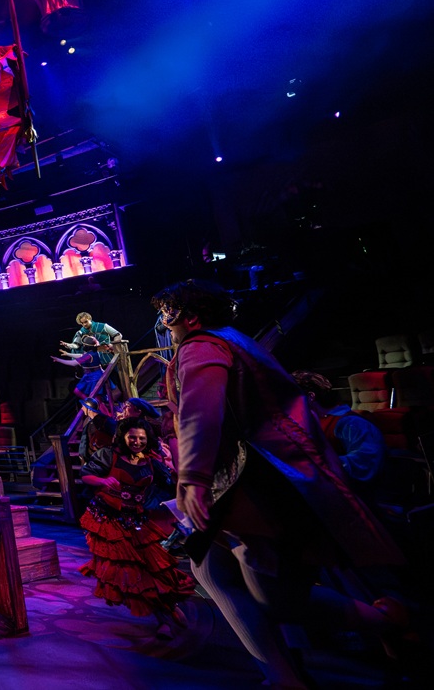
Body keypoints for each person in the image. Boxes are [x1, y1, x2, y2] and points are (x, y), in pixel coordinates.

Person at [156, 279, 405, 687]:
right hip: (242, 477)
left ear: (190, 317)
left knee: (275, 594)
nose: (167, 327)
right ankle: (282, 677)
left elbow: (202, 409)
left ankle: (385, 619)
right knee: (212, 572)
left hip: (252, 480)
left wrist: (194, 476)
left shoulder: (201, 345)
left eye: (169, 318)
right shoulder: (234, 340)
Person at [80, 418, 195, 639]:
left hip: (136, 519)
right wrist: (102, 481)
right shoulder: (108, 455)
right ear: (123, 437)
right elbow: (86, 475)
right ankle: (163, 618)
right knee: (130, 572)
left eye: (142, 438)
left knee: (155, 567)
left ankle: (168, 608)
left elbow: (170, 481)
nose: (137, 441)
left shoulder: (151, 460)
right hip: (108, 521)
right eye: (132, 437)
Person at [292, 370, 386, 487]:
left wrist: (317, 464)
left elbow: (366, 462)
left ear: (310, 397)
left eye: (293, 397)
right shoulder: (311, 420)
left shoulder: (351, 423)